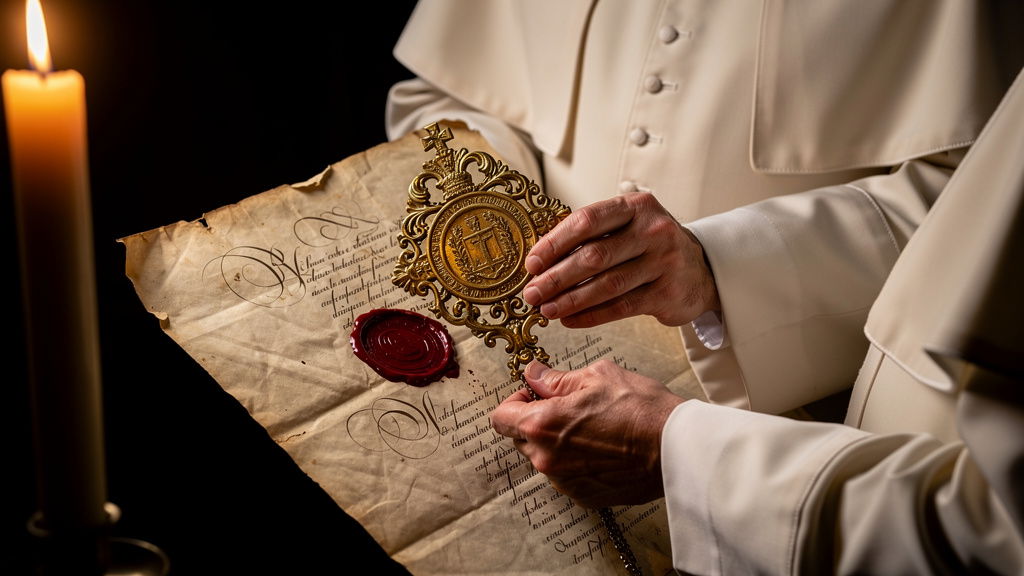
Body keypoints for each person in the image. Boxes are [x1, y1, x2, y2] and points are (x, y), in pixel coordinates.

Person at [385, 1, 1024, 572]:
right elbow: (452, 98)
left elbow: (975, 210)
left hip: (775, 440)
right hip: (511, 388)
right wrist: (492, 211)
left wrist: (717, 266)